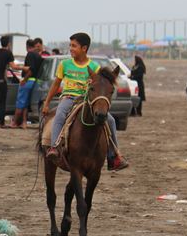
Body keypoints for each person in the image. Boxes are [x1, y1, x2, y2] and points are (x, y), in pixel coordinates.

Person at [43, 33, 128, 171]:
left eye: (74, 46)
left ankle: (114, 156)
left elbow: (99, 86)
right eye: (70, 45)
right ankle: (54, 147)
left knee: (111, 121)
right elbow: (55, 85)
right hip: (69, 98)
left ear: (84, 48)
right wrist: (47, 103)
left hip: (87, 100)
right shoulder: (64, 64)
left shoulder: (94, 67)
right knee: (59, 115)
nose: (71, 48)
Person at [12, 38, 43, 128]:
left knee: (20, 103)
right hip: (35, 81)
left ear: (27, 46)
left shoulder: (30, 54)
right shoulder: (38, 55)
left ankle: (14, 123)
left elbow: (31, 69)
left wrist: (24, 80)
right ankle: (24, 122)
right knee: (25, 103)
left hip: (28, 81)